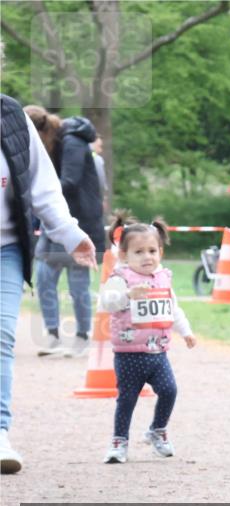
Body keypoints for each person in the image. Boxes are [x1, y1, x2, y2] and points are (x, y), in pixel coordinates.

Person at [1, 94, 97, 474]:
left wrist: (70, 233)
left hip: (5, 247)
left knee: (2, 335)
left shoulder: (12, 116)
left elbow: (43, 187)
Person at [99, 213, 196, 464]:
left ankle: (157, 430)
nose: (147, 257)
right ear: (124, 255)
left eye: (152, 251)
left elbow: (173, 309)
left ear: (160, 252)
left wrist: (186, 331)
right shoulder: (120, 278)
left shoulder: (163, 278)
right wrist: (128, 295)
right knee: (127, 399)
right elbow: (106, 303)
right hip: (129, 354)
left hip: (158, 353)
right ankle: (119, 441)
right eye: (139, 252)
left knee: (169, 390)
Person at [34, 115, 106, 357]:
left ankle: (83, 336)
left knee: (78, 285)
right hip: (55, 223)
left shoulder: (73, 142)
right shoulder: (57, 145)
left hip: (79, 223)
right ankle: (52, 335)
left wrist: (34, 192)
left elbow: (70, 182)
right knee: (44, 278)